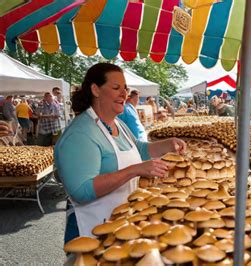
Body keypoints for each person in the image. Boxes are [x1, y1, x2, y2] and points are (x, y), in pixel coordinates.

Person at [54, 63, 186, 242]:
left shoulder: (118, 124)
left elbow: (139, 149)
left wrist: (168, 144)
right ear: (95, 90)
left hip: (121, 225)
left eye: (125, 88)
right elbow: (81, 190)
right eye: (116, 88)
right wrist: (134, 170)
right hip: (91, 231)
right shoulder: (80, 133)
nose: (124, 94)